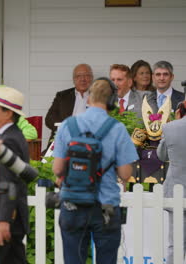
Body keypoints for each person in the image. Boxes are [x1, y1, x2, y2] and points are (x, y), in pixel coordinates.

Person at [52, 79, 139, 264]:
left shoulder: (68, 125)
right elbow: (125, 174)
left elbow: (57, 169)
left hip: (73, 204)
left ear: (89, 98)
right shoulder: (117, 129)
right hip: (105, 207)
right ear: (112, 101)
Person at [0, 86, 30, 263]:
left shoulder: (9, 140)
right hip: (7, 217)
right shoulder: (11, 136)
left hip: (5, 217)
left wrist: (4, 221)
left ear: (8, 113)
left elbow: (9, 184)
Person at [157, 100, 186, 264]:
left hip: (177, 188)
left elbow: (162, 155)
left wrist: (175, 121)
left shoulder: (170, 128)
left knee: (175, 243)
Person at [45, 63, 93, 143]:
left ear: (91, 78)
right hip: (64, 139)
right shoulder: (62, 96)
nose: (83, 79)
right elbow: (49, 119)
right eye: (78, 76)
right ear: (73, 79)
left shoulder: (99, 96)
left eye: (86, 75)